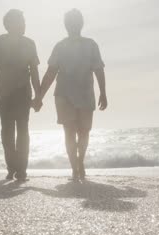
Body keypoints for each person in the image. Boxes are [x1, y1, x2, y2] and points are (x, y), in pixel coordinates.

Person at [33, 9, 107, 181]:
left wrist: (39, 97)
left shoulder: (83, 45)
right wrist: (103, 93)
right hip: (70, 95)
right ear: (70, 25)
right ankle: (78, 165)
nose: (73, 25)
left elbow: (98, 70)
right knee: (81, 132)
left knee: (75, 132)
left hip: (74, 94)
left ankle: (76, 166)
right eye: (72, 22)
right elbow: (51, 73)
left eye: (74, 22)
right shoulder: (80, 45)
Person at [0, 9, 41, 181]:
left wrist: (38, 96)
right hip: (5, 95)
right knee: (8, 131)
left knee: (21, 130)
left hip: (22, 94)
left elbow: (34, 72)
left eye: (24, 21)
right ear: (10, 24)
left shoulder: (29, 43)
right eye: (21, 21)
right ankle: (13, 168)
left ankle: (20, 169)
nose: (24, 24)